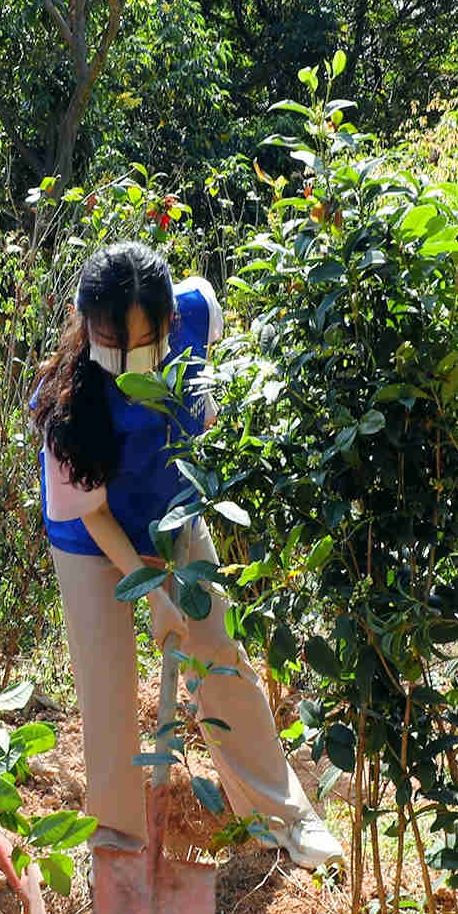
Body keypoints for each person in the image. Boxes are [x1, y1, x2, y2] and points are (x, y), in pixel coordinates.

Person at [31, 240, 339, 872]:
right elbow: (92, 514)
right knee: (108, 692)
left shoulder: (197, 312)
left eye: (137, 342)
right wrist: (149, 596)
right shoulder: (61, 403)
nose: (119, 360)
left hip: (172, 516)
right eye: (105, 341)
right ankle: (117, 844)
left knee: (220, 655)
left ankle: (282, 815)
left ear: (170, 321)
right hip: (94, 544)